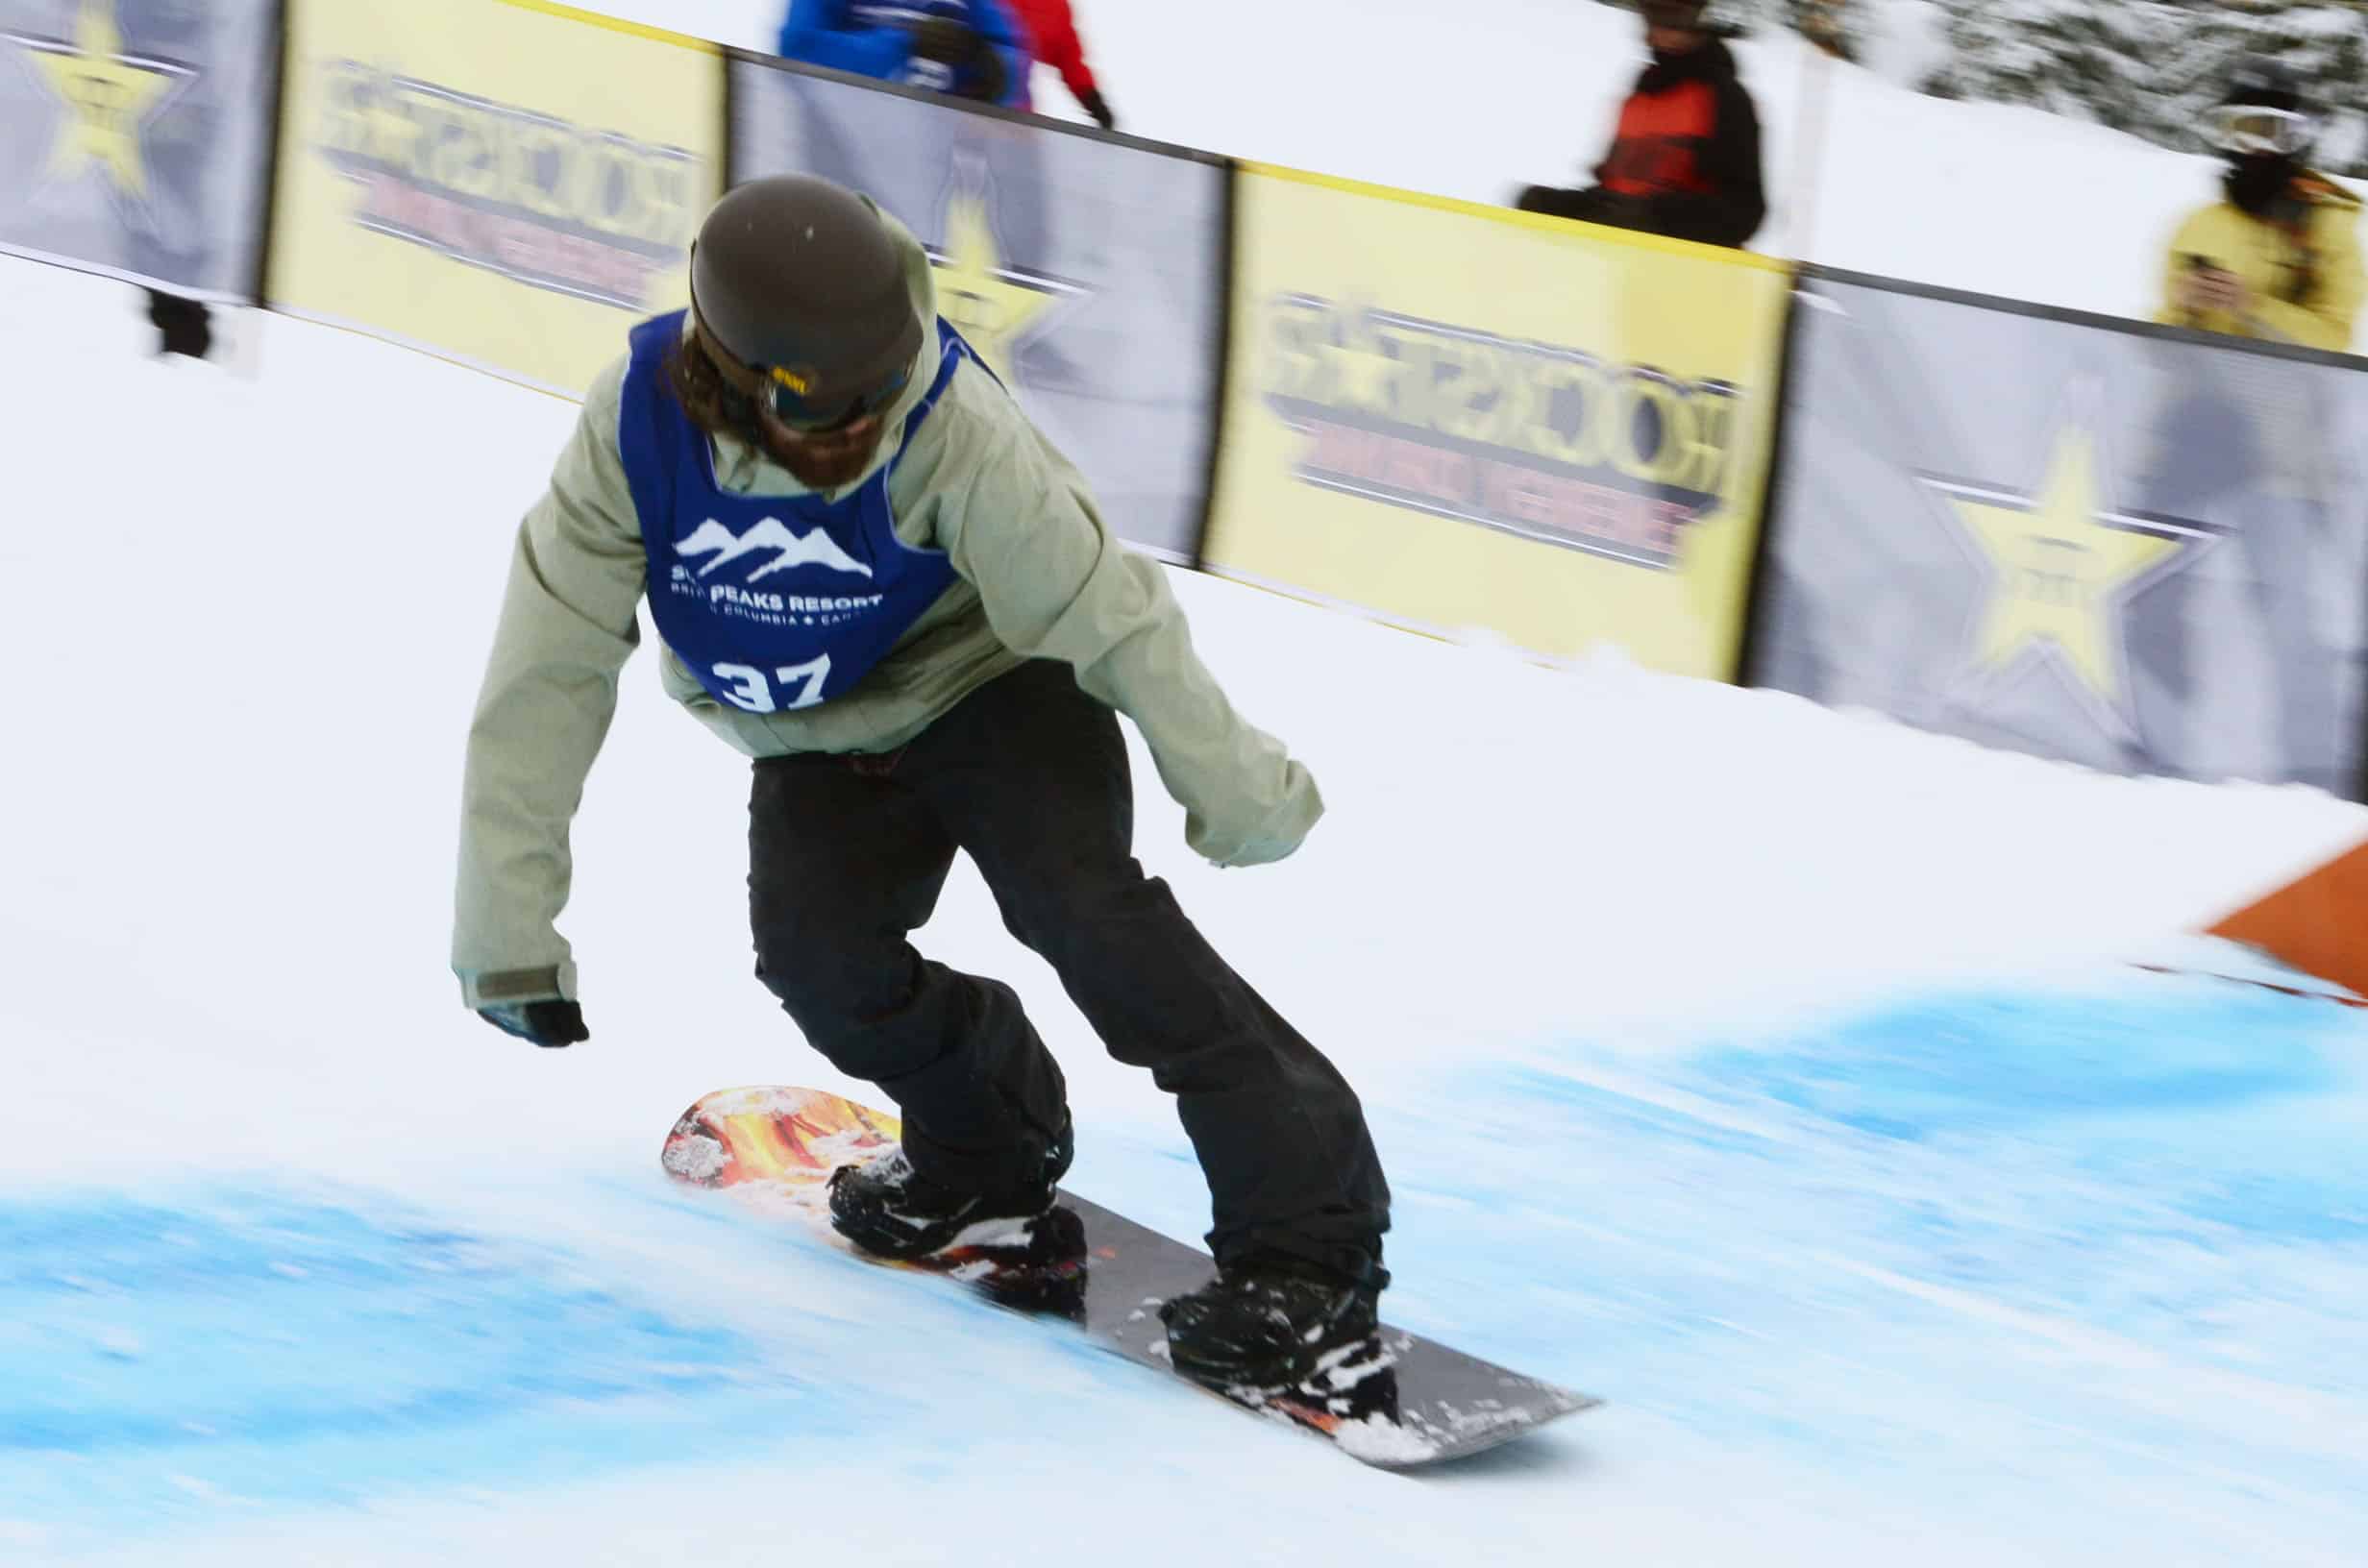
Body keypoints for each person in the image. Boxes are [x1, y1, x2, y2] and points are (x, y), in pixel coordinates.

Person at [451, 175, 1393, 1394]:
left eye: (876, 400)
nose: (863, 432)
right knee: (821, 967)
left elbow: (1107, 613)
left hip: (994, 684)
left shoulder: (953, 428)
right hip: (815, 732)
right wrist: (508, 932)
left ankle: (1308, 1254)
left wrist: (1234, 781)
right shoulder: (632, 437)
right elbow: (546, 668)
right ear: (733, 377)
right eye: (827, 417)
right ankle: (988, 1149)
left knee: (1097, 931)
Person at [1516, 0, 1766, 250]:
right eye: (1654, 14)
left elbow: (1743, 215)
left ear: (1700, 21)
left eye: (1677, 15)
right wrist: (1566, 206)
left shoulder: (1725, 99)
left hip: (1689, 277)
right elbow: (1615, 195)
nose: (1664, 28)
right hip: (1622, 270)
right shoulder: (1638, 99)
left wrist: (1658, 216)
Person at [2156, 61, 2362, 355]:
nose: (2252, 147)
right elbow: (2157, 352)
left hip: (2291, 396)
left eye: (2267, 131)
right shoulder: (2197, 226)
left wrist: (2252, 306)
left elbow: (2336, 342)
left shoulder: (2327, 228)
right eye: (2240, 130)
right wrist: (2181, 309)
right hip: (2202, 394)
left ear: (2293, 138)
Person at [777, 0, 1031, 110]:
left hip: (938, 156)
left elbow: (1011, 57)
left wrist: (986, 62)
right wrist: (907, 44)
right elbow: (798, 49)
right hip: (843, 143)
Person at [1006, 0, 1116, 130]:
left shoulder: (1053, 7)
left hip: (1013, 109)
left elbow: (1067, 53)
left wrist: (1091, 97)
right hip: (981, 93)